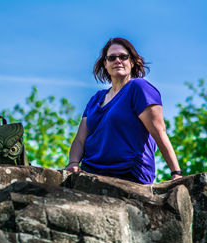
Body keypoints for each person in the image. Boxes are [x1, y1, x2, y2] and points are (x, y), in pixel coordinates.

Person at [65, 37, 182, 184]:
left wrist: (176, 172)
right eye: (112, 58)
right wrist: (73, 163)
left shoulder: (139, 88)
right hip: (90, 175)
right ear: (105, 64)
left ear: (132, 62)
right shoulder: (96, 99)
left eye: (123, 57)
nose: (117, 60)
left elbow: (159, 131)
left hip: (128, 175)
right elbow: (80, 140)